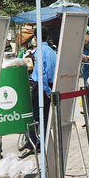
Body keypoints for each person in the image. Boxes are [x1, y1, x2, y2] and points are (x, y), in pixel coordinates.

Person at [20, 27, 58, 159]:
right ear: (47, 37)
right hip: (51, 86)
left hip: (42, 88)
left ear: (35, 38)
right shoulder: (52, 52)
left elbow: (42, 74)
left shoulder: (39, 52)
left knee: (33, 117)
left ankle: (33, 145)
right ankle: (45, 143)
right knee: (46, 117)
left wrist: (46, 91)